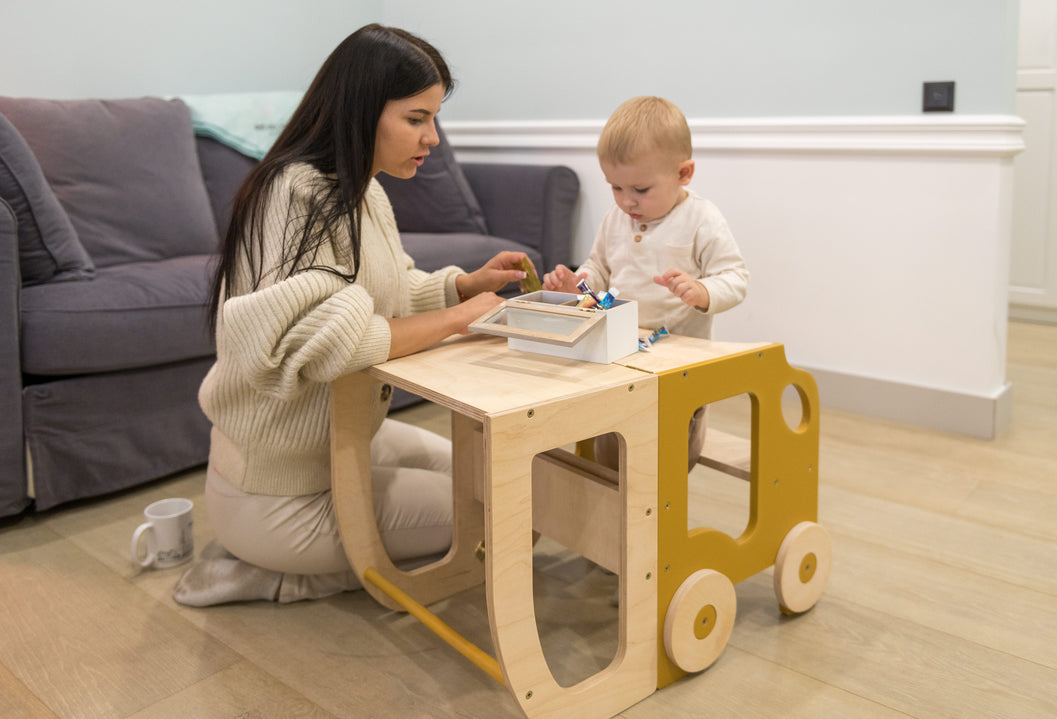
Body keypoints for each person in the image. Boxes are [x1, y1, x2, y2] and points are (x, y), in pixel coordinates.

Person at [173, 24, 531, 606]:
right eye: (416, 119)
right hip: (280, 493)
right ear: (363, 110)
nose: (432, 138)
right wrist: (460, 320)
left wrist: (462, 286)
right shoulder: (297, 193)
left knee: (495, 472)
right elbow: (328, 340)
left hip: (340, 440)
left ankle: (285, 558)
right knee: (508, 511)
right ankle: (276, 570)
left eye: (433, 119)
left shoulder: (363, 192)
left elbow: (384, 291)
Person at [542, 96, 749, 471]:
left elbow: (735, 278)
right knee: (612, 437)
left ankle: (661, 494)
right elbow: (599, 269)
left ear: (684, 174)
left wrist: (703, 292)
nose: (626, 201)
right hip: (619, 348)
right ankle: (607, 489)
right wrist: (580, 284)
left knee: (668, 452)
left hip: (681, 358)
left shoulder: (701, 218)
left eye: (640, 190)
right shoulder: (615, 218)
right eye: (615, 188)